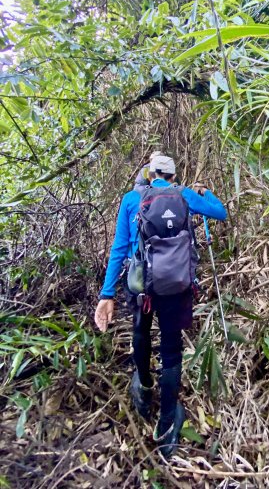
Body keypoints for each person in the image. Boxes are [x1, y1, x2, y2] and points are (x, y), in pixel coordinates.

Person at [94, 152, 227, 457]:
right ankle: (168, 422)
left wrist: (107, 294)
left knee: (141, 332)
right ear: (173, 176)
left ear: (149, 173)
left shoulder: (132, 199)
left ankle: (143, 387)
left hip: (141, 284)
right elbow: (220, 212)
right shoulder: (184, 194)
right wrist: (208, 195)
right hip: (177, 285)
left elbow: (118, 248)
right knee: (171, 349)